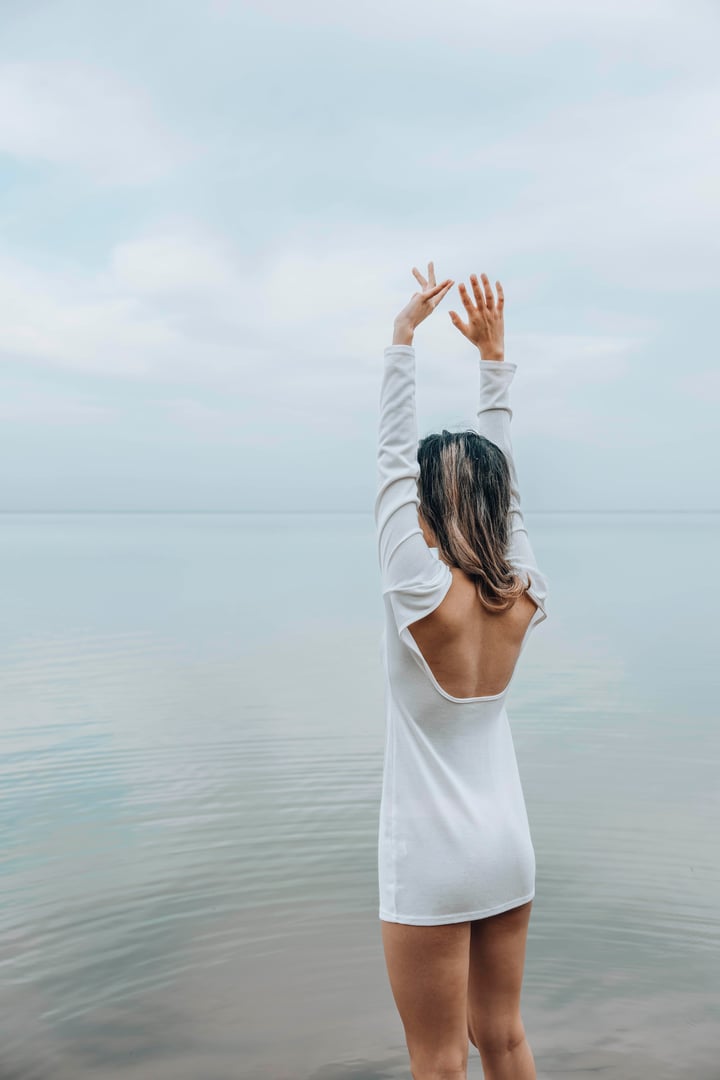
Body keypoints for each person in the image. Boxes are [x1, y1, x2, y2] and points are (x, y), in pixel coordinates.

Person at [374, 262, 549, 1080]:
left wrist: (401, 342)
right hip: (508, 849)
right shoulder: (520, 593)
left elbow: (389, 466)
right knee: (503, 1038)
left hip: (434, 863)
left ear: (427, 511)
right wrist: (493, 363)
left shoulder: (418, 592)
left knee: (439, 1060)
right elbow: (505, 501)